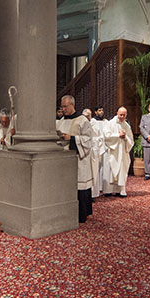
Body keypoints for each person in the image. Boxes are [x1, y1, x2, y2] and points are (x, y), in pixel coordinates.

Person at [56, 95, 94, 223]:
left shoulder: (82, 120)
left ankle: (81, 214)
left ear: (72, 105)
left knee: (79, 186)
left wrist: (71, 138)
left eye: (65, 106)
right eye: (62, 107)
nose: (63, 109)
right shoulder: (60, 121)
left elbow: (88, 140)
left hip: (79, 159)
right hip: (64, 160)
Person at [102, 106, 134, 197]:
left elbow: (131, 140)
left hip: (122, 152)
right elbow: (106, 136)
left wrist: (125, 137)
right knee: (110, 170)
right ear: (117, 113)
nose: (122, 117)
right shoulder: (110, 123)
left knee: (122, 170)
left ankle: (120, 190)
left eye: (124, 115)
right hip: (113, 151)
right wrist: (118, 136)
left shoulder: (126, 126)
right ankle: (108, 190)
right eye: (120, 115)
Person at [90, 105, 108, 197]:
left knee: (104, 167)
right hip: (95, 146)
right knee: (96, 167)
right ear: (95, 112)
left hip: (104, 145)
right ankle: (97, 187)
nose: (101, 112)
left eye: (102, 110)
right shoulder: (92, 121)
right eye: (99, 110)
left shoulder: (106, 122)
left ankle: (102, 186)